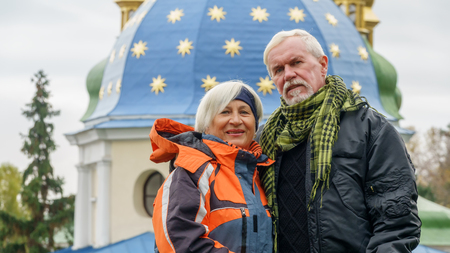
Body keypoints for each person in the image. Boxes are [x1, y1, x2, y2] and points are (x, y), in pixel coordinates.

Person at [257, 29, 421, 253]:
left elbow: (396, 223)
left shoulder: (370, 129)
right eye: (278, 69)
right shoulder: (264, 139)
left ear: (323, 64)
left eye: (296, 62)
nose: (288, 74)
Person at [150, 81, 274, 253]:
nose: (236, 120)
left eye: (244, 112)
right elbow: (180, 242)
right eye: (225, 112)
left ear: (255, 124)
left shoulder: (262, 174)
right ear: (206, 125)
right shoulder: (192, 172)